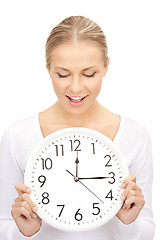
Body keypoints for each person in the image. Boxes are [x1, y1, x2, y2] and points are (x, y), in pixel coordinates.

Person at [0, 15, 155, 240]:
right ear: (48, 68)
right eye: (62, 74)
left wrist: (127, 221)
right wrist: (27, 231)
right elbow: (4, 224)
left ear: (106, 67)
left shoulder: (135, 136)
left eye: (88, 74)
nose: (75, 87)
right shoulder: (18, 136)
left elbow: (147, 231)